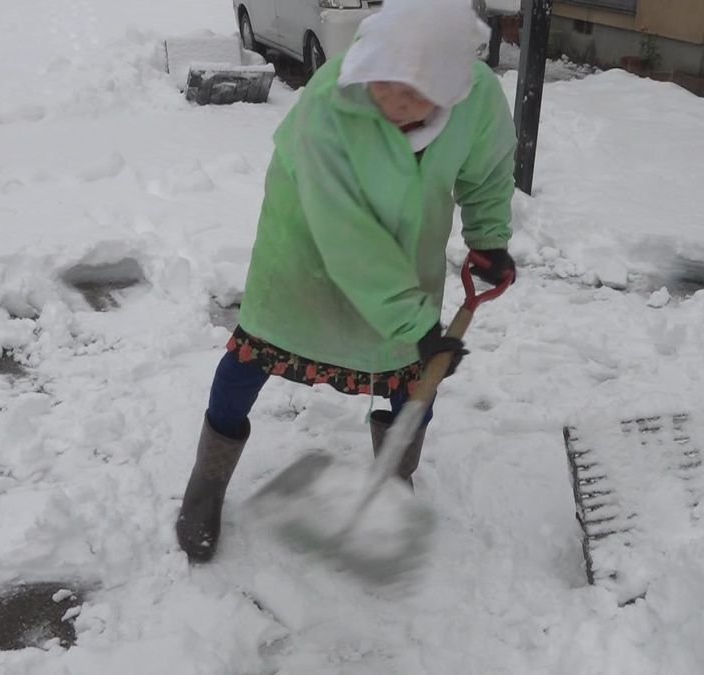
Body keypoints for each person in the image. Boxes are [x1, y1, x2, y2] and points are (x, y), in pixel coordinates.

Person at [176, 0, 518, 564]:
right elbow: (347, 237)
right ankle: (206, 482)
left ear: (450, 87)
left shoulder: (476, 97)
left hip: (404, 257)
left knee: (412, 375)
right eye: (384, 80)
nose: (391, 100)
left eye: (415, 91)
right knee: (254, 355)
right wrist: (418, 325)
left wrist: (490, 238)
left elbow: (486, 172)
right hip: (308, 246)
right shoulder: (331, 105)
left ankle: (392, 481)